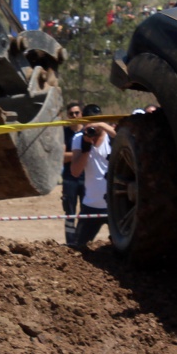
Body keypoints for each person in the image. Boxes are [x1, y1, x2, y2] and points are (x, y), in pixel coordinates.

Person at [67, 117, 117, 248]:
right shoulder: (79, 139)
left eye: (95, 126)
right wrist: (87, 146)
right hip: (91, 204)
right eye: (88, 125)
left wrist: (103, 125)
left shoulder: (111, 137)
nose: (92, 129)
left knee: (123, 248)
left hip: (115, 205)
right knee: (78, 247)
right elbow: (75, 171)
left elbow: (125, 140)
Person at [60, 101, 86, 246]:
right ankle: (70, 242)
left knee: (86, 211)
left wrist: (75, 155)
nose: (74, 116)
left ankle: (82, 240)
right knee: (69, 212)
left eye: (77, 113)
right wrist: (81, 155)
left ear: (81, 114)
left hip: (87, 178)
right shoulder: (64, 133)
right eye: (71, 114)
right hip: (69, 179)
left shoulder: (88, 131)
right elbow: (61, 157)